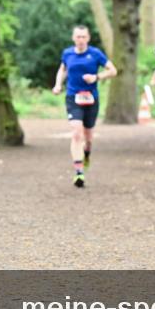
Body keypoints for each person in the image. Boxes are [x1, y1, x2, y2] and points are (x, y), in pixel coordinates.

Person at [52, 25, 117, 188]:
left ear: (88, 38)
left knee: (88, 138)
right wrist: (58, 85)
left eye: (83, 37)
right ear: (73, 38)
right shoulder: (67, 53)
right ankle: (79, 172)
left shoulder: (95, 54)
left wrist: (96, 77)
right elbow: (62, 70)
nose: (80, 39)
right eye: (78, 37)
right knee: (76, 133)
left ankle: (86, 153)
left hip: (91, 99)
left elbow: (113, 70)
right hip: (73, 97)